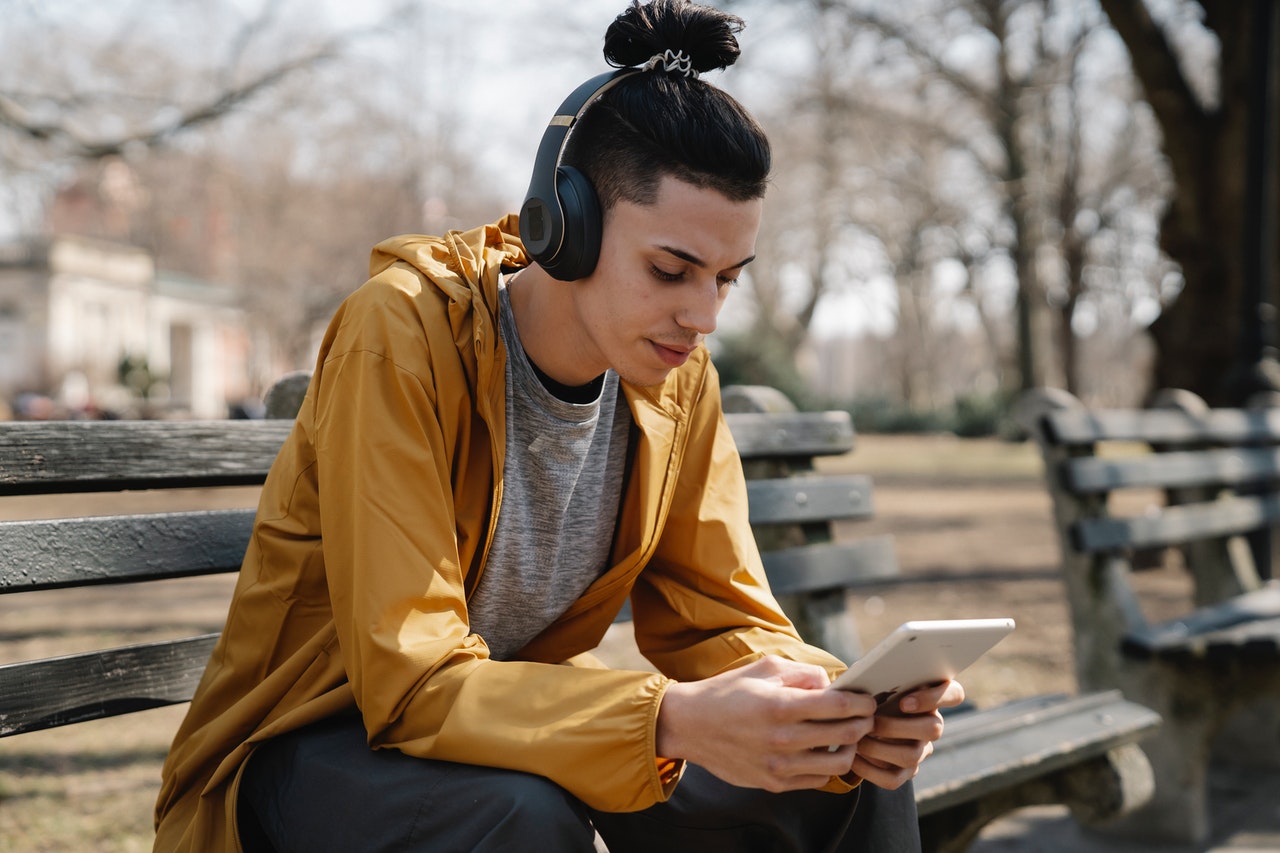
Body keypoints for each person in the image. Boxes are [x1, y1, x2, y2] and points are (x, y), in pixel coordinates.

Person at [153, 2, 964, 850]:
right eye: (671, 269)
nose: (703, 316)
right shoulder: (399, 334)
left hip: (506, 728)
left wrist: (838, 706)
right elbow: (410, 675)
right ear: (564, 226)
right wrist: (672, 718)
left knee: (842, 780)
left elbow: (717, 616)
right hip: (316, 741)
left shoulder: (677, 379)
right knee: (522, 814)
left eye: (726, 278)